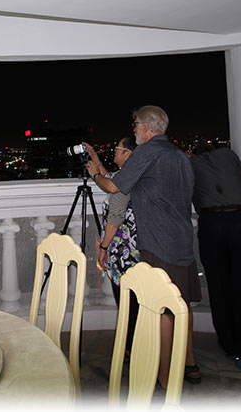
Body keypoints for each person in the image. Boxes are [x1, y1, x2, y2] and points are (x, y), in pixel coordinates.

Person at [84, 105, 202, 387]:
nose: (134, 128)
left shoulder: (149, 152)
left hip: (158, 243)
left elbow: (115, 188)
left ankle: (162, 379)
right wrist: (103, 167)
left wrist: (95, 175)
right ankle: (190, 365)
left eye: (136, 124)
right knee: (182, 305)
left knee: (160, 310)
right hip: (183, 239)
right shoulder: (178, 154)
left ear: (147, 127)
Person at [190, 142, 241, 370]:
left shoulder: (190, 164)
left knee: (218, 286)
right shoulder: (226, 154)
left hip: (212, 223)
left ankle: (229, 344)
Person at [96, 137, 140, 358]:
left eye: (118, 149)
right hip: (131, 248)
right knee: (130, 301)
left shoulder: (123, 181)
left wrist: (103, 247)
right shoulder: (129, 174)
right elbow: (107, 179)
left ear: (128, 153)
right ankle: (132, 345)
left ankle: (130, 348)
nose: (114, 151)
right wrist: (94, 158)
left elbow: (115, 217)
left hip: (123, 251)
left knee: (127, 302)